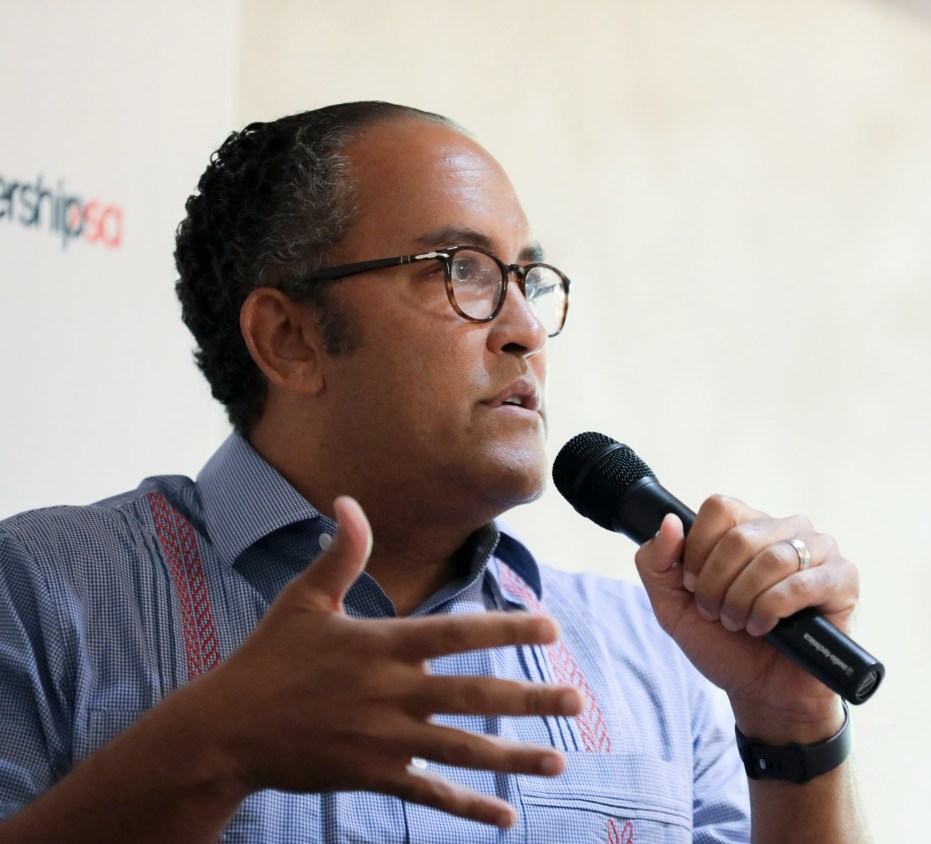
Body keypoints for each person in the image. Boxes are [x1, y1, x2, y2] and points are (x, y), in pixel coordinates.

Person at [0, 102, 871, 843]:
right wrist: (210, 753)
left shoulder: (656, 654)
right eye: (462, 272)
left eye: (527, 277)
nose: (525, 325)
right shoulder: (42, 591)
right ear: (289, 339)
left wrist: (794, 729)